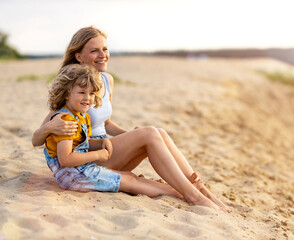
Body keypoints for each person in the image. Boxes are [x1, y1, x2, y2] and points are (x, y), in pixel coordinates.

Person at [32, 26, 231, 212]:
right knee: (150, 133)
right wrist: (49, 127)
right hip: (90, 160)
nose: (103, 55)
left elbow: (106, 123)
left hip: (107, 150)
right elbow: (37, 139)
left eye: (105, 49)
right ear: (79, 56)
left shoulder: (106, 80)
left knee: (157, 133)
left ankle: (201, 190)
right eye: (94, 51)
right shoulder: (74, 88)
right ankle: (193, 194)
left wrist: (131, 136)